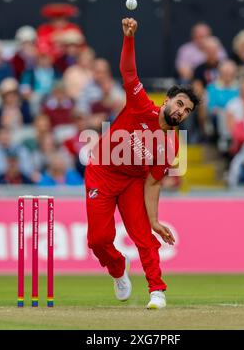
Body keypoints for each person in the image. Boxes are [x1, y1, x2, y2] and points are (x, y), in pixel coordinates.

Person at [85, 17, 200, 309]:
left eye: (186, 110)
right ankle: (117, 268)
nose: (181, 111)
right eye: (179, 104)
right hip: (102, 170)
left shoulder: (170, 147)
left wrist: (153, 220)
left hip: (132, 182)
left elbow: (153, 182)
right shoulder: (140, 104)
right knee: (98, 239)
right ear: (167, 101)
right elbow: (127, 71)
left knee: (144, 237)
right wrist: (130, 38)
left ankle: (157, 290)